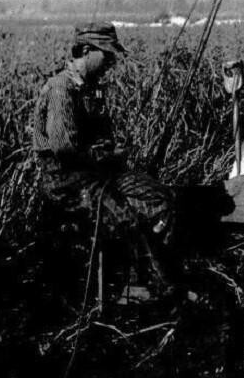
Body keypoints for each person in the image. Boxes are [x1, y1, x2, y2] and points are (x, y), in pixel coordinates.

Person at [31, 22, 179, 294]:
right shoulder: (61, 88)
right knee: (125, 218)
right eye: (106, 54)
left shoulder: (91, 88)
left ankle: (150, 276)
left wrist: (111, 152)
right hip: (67, 181)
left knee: (161, 198)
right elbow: (65, 149)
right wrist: (103, 156)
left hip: (98, 173)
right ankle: (139, 288)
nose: (111, 61)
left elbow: (101, 135)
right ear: (87, 51)